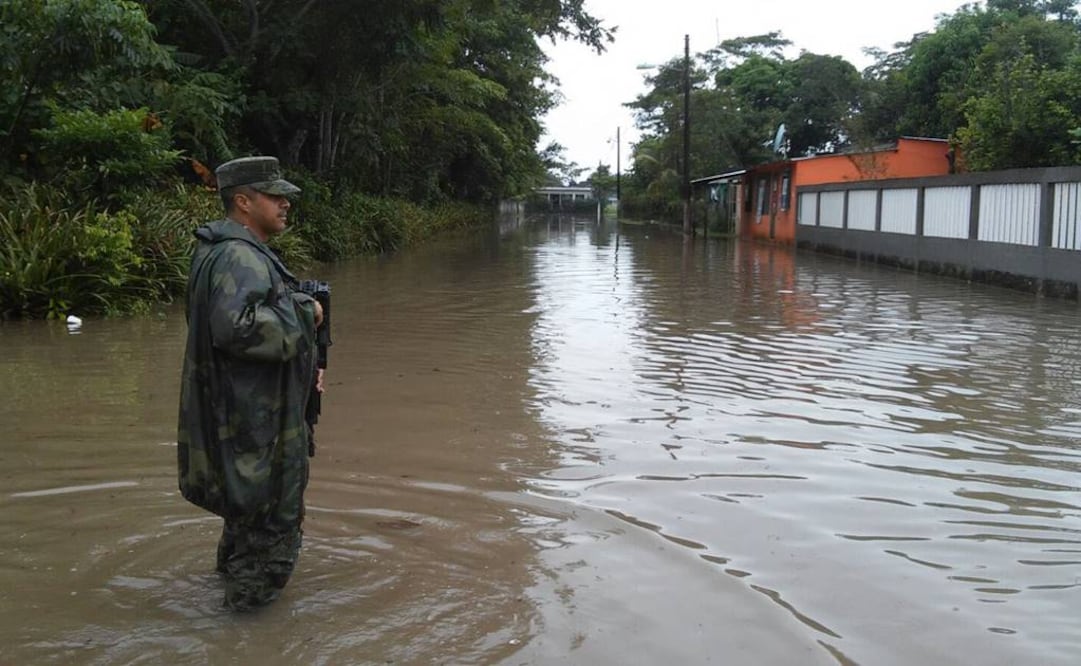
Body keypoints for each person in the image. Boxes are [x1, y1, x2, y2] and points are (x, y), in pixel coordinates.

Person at [177, 155, 324, 611]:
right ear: (243, 201)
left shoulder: (220, 250)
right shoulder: (239, 256)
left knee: (245, 523)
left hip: (242, 418)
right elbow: (236, 328)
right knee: (268, 543)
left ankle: (229, 612)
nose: (285, 205)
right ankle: (244, 638)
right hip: (256, 426)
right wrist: (306, 313)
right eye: (274, 196)